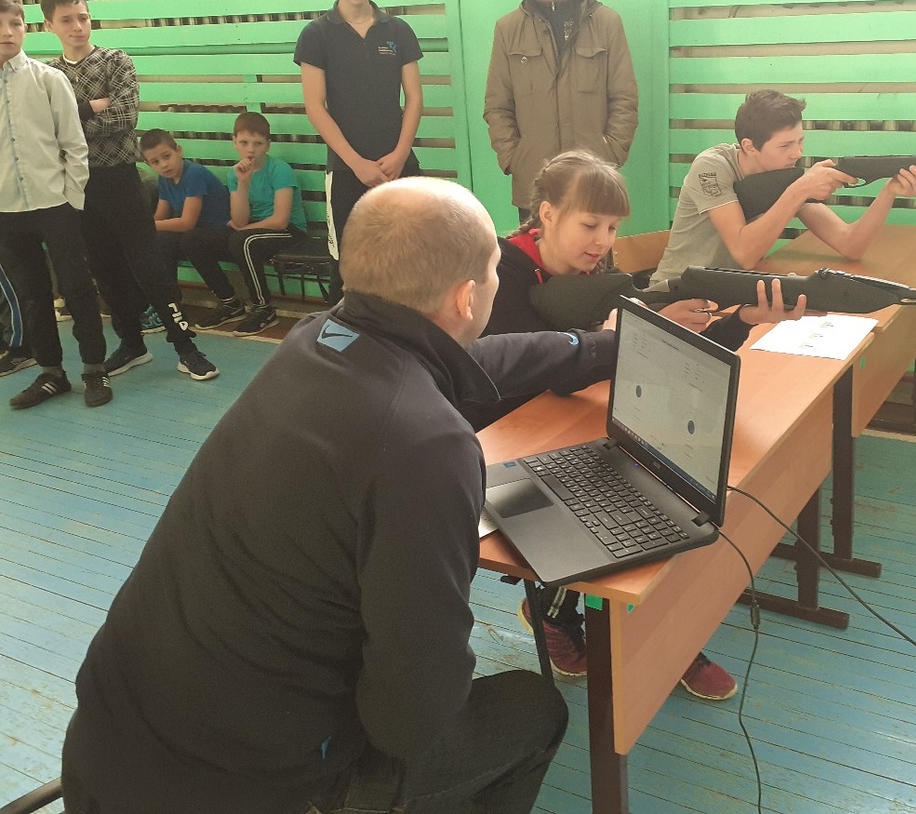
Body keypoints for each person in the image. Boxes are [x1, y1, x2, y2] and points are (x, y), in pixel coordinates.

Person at [61, 177, 622, 814]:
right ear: (467, 297)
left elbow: (471, 365)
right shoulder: (426, 444)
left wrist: (599, 346)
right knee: (531, 709)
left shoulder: (319, 339)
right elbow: (410, 721)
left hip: (110, 741)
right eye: (495, 268)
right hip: (241, 788)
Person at [481, 149, 805, 700]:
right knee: (620, 490)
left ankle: (657, 624)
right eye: (590, 225)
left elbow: (657, 354)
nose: (602, 242)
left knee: (667, 480)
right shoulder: (501, 274)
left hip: (573, 419)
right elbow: (545, 374)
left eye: (612, 228)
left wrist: (740, 320)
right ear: (547, 214)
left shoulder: (591, 273)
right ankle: (564, 612)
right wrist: (634, 329)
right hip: (504, 434)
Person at [40, 0, 218, 383]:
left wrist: (70, 123)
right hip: (78, 186)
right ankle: (132, 344)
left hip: (121, 180)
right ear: (49, 25)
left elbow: (124, 117)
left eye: (83, 17)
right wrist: (90, 108)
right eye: (67, 20)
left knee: (149, 267)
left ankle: (186, 347)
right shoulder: (48, 75)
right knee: (104, 270)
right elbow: (45, 131)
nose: (77, 26)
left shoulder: (115, 60)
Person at [648, 89, 916, 291]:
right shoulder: (711, 167)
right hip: (674, 296)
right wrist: (799, 191)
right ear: (749, 146)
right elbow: (745, 253)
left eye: (800, 141)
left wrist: (888, 192)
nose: (797, 153)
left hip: (724, 296)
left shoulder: (784, 177)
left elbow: (851, 245)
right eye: (785, 145)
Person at [295, 0, 424, 300]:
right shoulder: (316, 35)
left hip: (398, 165)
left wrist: (400, 154)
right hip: (346, 170)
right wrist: (356, 164)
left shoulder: (397, 30)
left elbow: (414, 98)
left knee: (411, 260)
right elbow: (315, 107)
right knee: (348, 269)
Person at [484, 0, 638, 218]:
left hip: (593, 179)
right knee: (534, 251)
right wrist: (515, 158)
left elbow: (625, 99)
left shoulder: (606, 23)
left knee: (593, 248)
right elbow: (497, 106)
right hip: (534, 184)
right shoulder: (508, 29)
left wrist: (609, 155)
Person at [0, 0, 111, 408]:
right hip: (7, 209)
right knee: (32, 293)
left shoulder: (48, 79)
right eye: (0, 25)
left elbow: (74, 144)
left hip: (55, 205)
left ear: (26, 27)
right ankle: (51, 373)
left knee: (77, 288)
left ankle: (94, 369)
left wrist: (71, 200)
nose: (8, 32)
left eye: (15, 23)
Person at [141, 129, 243, 332]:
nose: (164, 165)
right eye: (155, 162)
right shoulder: (164, 180)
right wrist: (143, 230)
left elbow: (187, 222)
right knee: (161, 240)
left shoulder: (194, 174)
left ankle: (230, 302)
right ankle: (169, 304)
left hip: (223, 232)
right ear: (148, 164)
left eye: (166, 156)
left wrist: (146, 226)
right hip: (197, 235)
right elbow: (160, 217)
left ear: (178, 150)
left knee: (188, 239)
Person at [223, 111, 308, 336]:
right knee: (196, 240)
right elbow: (239, 220)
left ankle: (263, 308)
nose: (250, 150)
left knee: (242, 240)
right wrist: (243, 183)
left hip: (290, 231)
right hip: (255, 229)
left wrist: (243, 230)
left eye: (258, 143)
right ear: (234, 142)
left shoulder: (280, 170)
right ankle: (229, 302)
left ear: (268, 145)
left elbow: (280, 221)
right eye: (244, 143)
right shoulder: (234, 173)